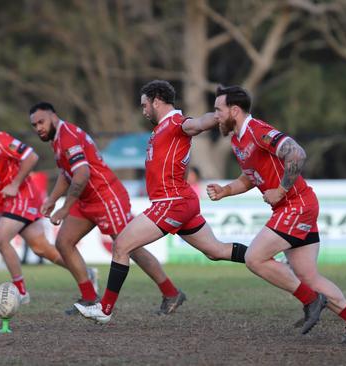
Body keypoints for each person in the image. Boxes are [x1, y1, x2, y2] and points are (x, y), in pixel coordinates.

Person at [205, 85, 346, 344]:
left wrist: (281, 190)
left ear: (234, 110)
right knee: (307, 276)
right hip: (295, 205)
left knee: (255, 258)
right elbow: (251, 178)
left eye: (218, 109)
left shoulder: (257, 130)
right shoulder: (238, 139)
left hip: (296, 204)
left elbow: (297, 153)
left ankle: (310, 300)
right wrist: (225, 190)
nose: (215, 115)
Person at [75, 80, 249, 323]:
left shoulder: (177, 123)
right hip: (179, 201)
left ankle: (104, 309)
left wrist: (220, 115)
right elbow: (183, 163)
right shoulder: (160, 130)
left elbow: (199, 123)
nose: (143, 109)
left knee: (122, 244)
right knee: (215, 250)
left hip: (172, 202)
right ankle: (265, 256)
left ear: (157, 100)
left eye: (145, 104)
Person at [29, 101, 182, 315]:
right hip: (87, 200)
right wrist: (52, 200)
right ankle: (90, 298)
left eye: (41, 122)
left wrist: (64, 207)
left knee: (130, 247)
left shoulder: (68, 137)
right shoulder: (57, 139)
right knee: (64, 242)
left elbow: (82, 174)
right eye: (35, 125)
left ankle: (171, 292)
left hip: (106, 196)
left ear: (53, 116)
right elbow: (67, 174)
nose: (39, 128)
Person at [0, 110, 69, 304]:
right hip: (4, 202)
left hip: (23, 194)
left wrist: (15, 183)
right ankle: (85, 274)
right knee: (41, 248)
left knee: (0, 238)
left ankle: (21, 291)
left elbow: (31, 157)